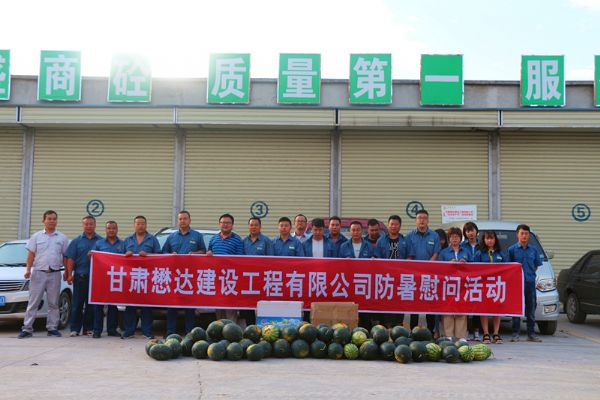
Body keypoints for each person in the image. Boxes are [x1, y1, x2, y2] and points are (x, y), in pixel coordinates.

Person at [18, 210, 69, 339]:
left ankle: (52, 328)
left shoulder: (62, 238)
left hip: (55, 273)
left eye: (54, 219)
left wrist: (67, 272)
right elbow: (31, 255)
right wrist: (28, 270)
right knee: (33, 302)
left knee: (53, 303)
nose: (52, 221)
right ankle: (27, 328)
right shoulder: (36, 236)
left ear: (56, 221)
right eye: (49, 219)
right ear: (43, 221)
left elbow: (65, 257)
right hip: (38, 273)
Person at [162, 211, 206, 336]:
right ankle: (170, 332)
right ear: (178, 221)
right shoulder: (171, 237)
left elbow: (204, 251)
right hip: (174, 276)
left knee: (189, 305)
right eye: (180, 219)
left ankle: (189, 333)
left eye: (185, 218)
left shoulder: (197, 236)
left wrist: (195, 254)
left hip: (190, 276)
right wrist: (171, 255)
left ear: (189, 220)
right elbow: (163, 252)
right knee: (172, 304)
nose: (182, 221)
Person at [122, 215, 161, 339]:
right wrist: (126, 255)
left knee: (147, 306)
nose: (140, 226)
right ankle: (129, 331)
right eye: (138, 223)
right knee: (130, 306)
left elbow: (160, 257)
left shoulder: (152, 239)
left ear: (146, 225)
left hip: (147, 277)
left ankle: (147, 331)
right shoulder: (127, 240)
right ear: (134, 225)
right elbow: (119, 258)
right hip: (131, 278)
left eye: (142, 223)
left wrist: (148, 255)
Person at [65, 215, 102, 337]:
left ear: (95, 225)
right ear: (82, 225)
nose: (89, 226)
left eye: (91, 224)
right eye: (86, 224)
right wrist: (69, 274)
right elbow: (70, 258)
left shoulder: (101, 241)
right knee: (77, 304)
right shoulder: (76, 241)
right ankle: (75, 329)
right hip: (80, 277)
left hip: (96, 278)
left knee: (91, 305)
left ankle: (88, 328)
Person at [406, 209, 441, 331]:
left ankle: (430, 331)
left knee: (429, 303)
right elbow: (409, 255)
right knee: (414, 304)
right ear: (416, 220)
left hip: (429, 274)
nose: (422, 220)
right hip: (414, 275)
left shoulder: (434, 235)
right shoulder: (409, 236)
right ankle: (413, 331)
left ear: (428, 220)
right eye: (419, 218)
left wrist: (428, 266)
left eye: (424, 218)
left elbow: (436, 253)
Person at [508, 224, 543, 343]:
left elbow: (536, 266)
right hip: (517, 284)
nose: (524, 236)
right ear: (517, 234)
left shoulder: (534, 249)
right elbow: (509, 267)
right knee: (516, 309)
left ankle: (531, 334)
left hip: (530, 283)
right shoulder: (512, 250)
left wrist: (529, 274)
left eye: (526, 234)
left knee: (531, 308)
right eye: (522, 233)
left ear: (529, 235)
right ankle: (515, 334)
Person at [207, 213, 244, 323]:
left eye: (228, 223)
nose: (225, 225)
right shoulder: (213, 239)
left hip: (230, 279)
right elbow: (209, 253)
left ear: (232, 225)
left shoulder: (237, 240)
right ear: (219, 224)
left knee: (230, 309)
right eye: (223, 222)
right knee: (219, 308)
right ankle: (220, 330)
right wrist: (208, 253)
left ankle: (231, 330)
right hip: (216, 279)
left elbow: (240, 259)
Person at [92, 220, 126, 338]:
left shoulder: (123, 244)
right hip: (101, 278)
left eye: (113, 228)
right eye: (109, 228)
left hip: (116, 278)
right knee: (98, 305)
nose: (111, 230)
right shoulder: (99, 243)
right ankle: (97, 330)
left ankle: (112, 329)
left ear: (117, 229)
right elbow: (93, 259)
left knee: (113, 306)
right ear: (105, 230)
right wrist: (91, 256)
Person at [437, 227, 470, 341]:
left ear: (460, 238)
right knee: (448, 309)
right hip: (448, 284)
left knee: (462, 309)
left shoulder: (466, 251)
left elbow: (474, 266)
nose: (454, 239)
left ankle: (461, 335)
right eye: (452, 237)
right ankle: (448, 335)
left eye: (457, 236)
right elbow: (438, 268)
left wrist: (466, 263)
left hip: (463, 285)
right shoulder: (444, 252)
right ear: (449, 239)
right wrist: (448, 264)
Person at [374, 215, 407, 327]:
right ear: (388, 226)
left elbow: (410, 256)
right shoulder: (381, 240)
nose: (393, 226)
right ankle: (385, 326)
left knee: (399, 302)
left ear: (400, 226)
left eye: (396, 224)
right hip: (385, 277)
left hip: (400, 278)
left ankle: (398, 325)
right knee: (386, 300)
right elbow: (377, 257)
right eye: (391, 224)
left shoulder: (405, 240)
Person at [473, 230, 506, 344]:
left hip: (497, 285)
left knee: (497, 309)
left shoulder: (501, 254)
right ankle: (486, 333)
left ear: (495, 240)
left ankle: (496, 333)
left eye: (492, 238)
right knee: (484, 309)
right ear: (484, 240)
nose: (490, 240)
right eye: (487, 238)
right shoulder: (479, 254)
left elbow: (507, 268)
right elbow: (474, 269)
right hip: (483, 285)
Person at [461, 221, 481, 341]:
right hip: (466, 279)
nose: (470, 233)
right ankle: (466, 330)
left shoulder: (482, 245)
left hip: (479, 279)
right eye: (468, 231)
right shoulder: (462, 246)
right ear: (465, 233)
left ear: (476, 231)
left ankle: (477, 331)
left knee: (477, 305)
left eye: (472, 230)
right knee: (466, 305)